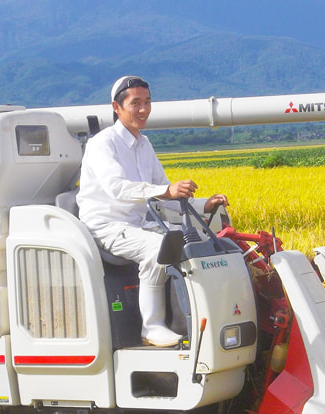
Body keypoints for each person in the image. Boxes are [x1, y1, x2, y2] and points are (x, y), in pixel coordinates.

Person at [77, 75, 228, 347]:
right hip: (105, 225)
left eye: (147, 102)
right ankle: (151, 326)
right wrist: (165, 191)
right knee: (158, 248)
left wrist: (203, 204)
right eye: (136, 103)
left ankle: (194, 318)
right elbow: (117, 188)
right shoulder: (103, 143)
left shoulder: (144, 144)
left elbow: (163, 193)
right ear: (116, 107)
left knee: (200, 242)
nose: (144, 109)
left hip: (135, 225)